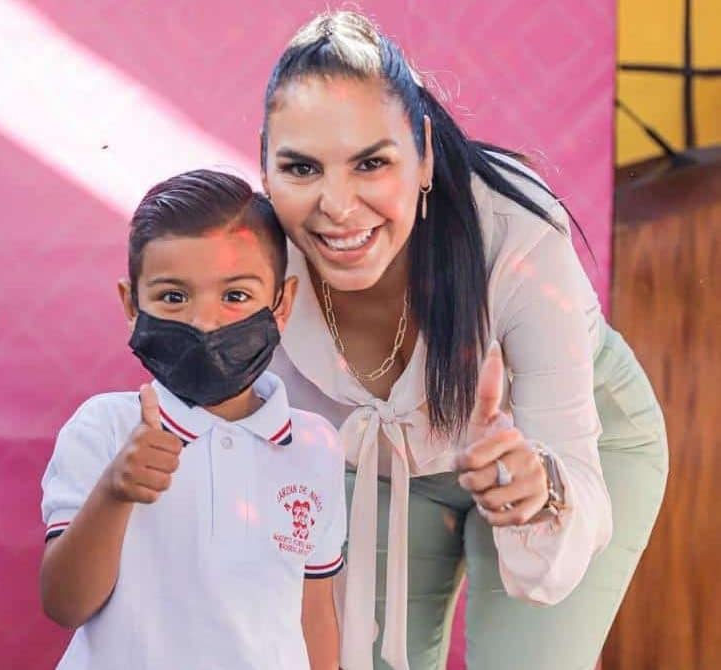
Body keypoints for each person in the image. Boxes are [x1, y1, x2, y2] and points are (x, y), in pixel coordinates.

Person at [259, 11, 669, 670]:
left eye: (371, 162)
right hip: (382, 471)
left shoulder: (513, 231)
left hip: (566, 455)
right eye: (302, 168)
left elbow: (569, 464)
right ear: (265, 167)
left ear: (422, 154)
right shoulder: (252, 268)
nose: (337, 204)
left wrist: (536, 488)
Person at [39, 170, 345, 670]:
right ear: (131, 305)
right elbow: (65, 604)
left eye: (236, 296)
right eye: (174, 297)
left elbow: (314, 611)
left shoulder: (315, 445)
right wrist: (114, 491)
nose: (204, 322)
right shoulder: (104, 428)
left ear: (282, 304)